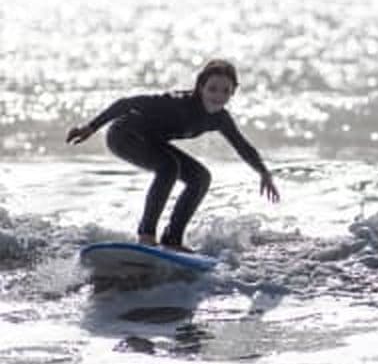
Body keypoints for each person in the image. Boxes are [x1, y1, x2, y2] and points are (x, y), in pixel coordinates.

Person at [67, 59, 280, 252]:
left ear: (233, 92)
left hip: (151, 141)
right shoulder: (178, 102)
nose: (218, 96)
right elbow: (126, 103)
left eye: (225, 91)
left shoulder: (220, 119)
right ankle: (146, 235)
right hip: (124, 135)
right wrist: (91, 127)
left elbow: (242, 146)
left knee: (200, 177)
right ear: (200, 86)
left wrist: (263, 173)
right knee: (168, 167)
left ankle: (172, 239)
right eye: (212, 89)